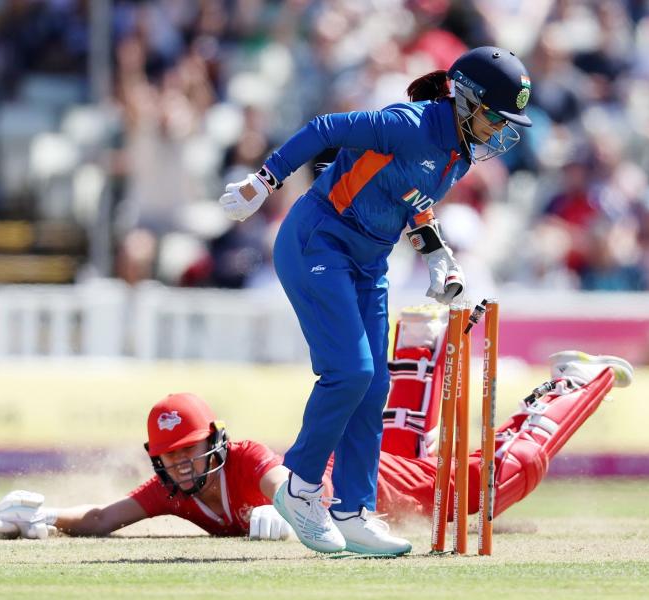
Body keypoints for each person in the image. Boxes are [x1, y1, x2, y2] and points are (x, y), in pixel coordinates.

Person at [216, 46, 534, 554]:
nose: (500, 129)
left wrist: (437, 256)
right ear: (467, 100)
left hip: (369, 260)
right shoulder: (408, 123)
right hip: (318, 238)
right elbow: (324, 129)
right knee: (351, 371)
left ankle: (352, 510)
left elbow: (410, 198)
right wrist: (264, 181)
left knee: (375, 384)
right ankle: (298, 486)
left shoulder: (460, 153)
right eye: (495, 115)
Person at [0, 349, 634, 554]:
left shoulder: (242, 456)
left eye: (191, 451)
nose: (183, 466)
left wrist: (294, 513)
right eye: (172, 457)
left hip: (379, 488)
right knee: (414, 441)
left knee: (503, 477)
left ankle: (574, 380)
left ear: (214, 441)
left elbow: (289, 486)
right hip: (360, 482)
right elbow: (104, 518)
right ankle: (419, 347)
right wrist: (44, 522)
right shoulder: (174, 493)